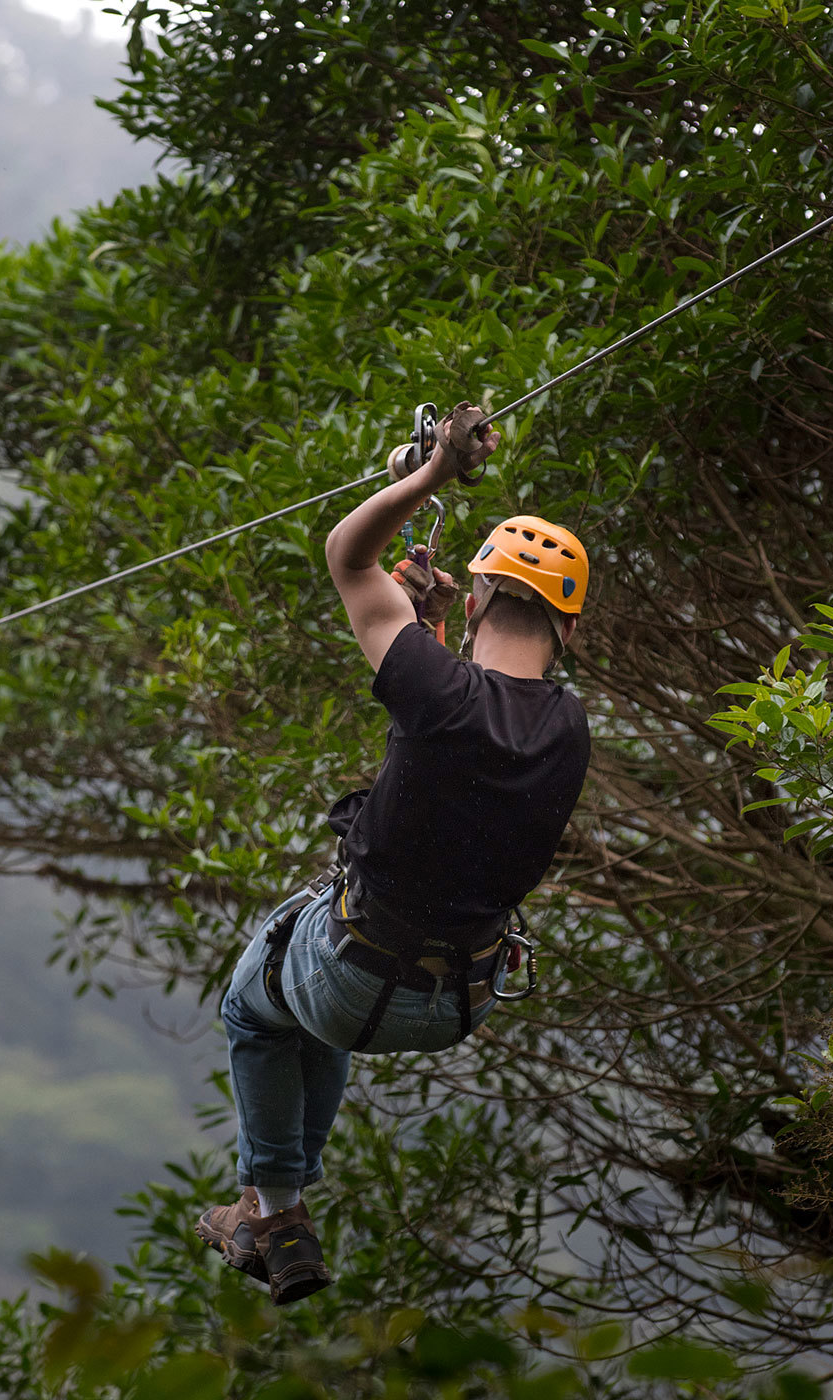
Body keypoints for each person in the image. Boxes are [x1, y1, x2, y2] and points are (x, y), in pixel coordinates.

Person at [194, 404, 592, 1303]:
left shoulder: (437, 688)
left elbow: (347, 555)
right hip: (461, 998)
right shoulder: (567, 727)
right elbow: (460, 749)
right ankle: (273, 1207)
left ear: (484, 593)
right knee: (307, 990)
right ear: (570, 628)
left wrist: (429, 478)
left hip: (358, 981)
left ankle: (276, 1205)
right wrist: (429, 637)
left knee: (259, 1001)